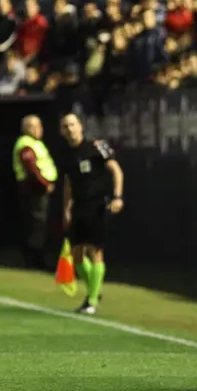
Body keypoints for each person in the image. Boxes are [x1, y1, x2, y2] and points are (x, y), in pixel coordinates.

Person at [60, 113, 124, 315]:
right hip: (78, 205)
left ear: (80, 126)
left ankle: (92, 300)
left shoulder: (96, 146)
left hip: (96, 204)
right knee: (77, 255)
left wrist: (117, 197)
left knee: (94, 250)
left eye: (72, 124)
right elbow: (68, 183)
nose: (70, 129)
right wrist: (67, 208)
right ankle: (94, 289)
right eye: (65, 126)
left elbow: (116, 170)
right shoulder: (67, 155)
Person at [13, 115, 57, 270]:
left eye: (40, 126)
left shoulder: (35, 143)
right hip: (34, 191)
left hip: (37, 190)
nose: (40, 129)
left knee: (38, 225)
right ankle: (34, 261)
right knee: (36, 225)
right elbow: (32, 170)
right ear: (27, 128)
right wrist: (44, 185)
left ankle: (36, 259)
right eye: (35, 126)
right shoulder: (26, 145)